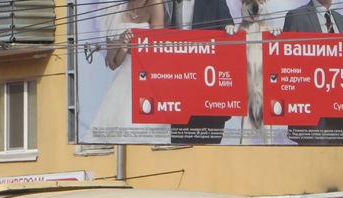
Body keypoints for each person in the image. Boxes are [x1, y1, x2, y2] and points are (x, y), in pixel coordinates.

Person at [87, 0, 168, 137]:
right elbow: (112, 63)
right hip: (124, 78)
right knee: (120, 123)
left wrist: (135, 43)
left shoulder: (155, 3)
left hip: (148, 77)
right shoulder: (113, 8)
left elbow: (158, 47)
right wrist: (122, 43)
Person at [283, 0, 343, 144]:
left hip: (341, 119)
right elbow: (286, 64)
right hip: (311, 120)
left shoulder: (342, 21)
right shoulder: (296, 16)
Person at [169, 0, 234, 144]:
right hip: (178, 99)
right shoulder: (166, 5)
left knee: (209, 157)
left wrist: (229, 29)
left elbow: (230, 35)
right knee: (180, 152)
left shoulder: (215, 3)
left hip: (209, 100)